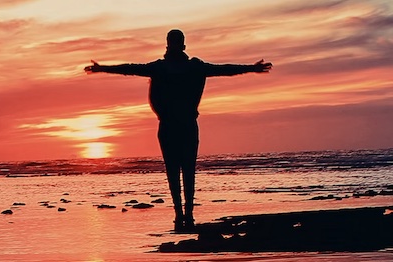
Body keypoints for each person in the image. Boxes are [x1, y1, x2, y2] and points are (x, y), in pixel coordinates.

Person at [85, 29, 272, 231]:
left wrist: (250, 68)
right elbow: (131, 68)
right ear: (182, 45)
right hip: (177, 125)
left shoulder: (179, 67)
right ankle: (182, 212)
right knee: (180, 170)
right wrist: (103, 68)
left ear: (170, 45)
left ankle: (184, 213)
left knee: (181, 170)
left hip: (177, 125)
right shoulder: (177, 67)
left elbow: (224, 69)